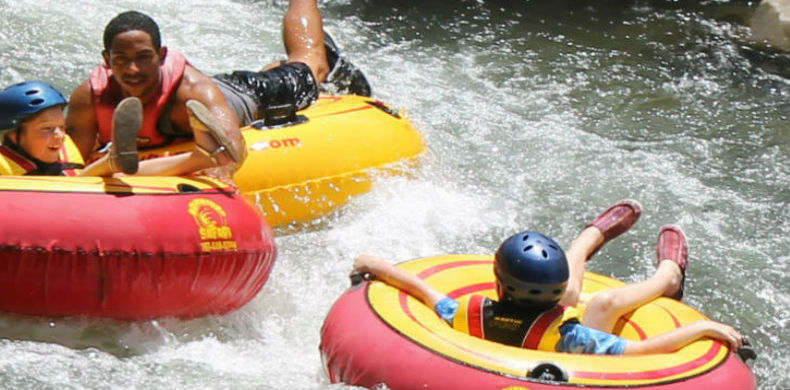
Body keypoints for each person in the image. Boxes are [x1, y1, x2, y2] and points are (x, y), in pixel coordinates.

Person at [352, 200, 746, 355]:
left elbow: (421, 289)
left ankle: (587, 241)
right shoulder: (575, 339)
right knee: (606, 302)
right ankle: (668, 275)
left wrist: (377, 265)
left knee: (596, 300)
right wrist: (703, 329)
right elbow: (646, 351)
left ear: (497, 281)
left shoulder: (462, 312)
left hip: (522, 346)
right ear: (556, 300)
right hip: (557, 358)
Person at [66, 1, 372, 178]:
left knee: (310, 64)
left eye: (144, 58)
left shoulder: (193, 92)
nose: (133, 70)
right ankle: (274, 65)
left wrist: (199, 159)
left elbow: (232, 154)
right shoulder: (90, 97)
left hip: (247, 95)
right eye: (122, 60)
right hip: (218, 90)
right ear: (107, 61)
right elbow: (68, 165)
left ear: (161, 56)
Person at [0, 81, 149, 180]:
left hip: (76, 194)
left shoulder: (65, 154)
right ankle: (113, 159)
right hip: (26, 206)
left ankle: (117, 158)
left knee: (112, 175)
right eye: (47, 129)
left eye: (62, 128)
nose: (59, 136)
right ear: (13, 136)